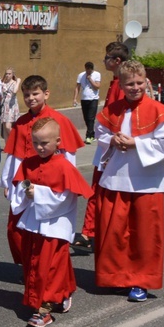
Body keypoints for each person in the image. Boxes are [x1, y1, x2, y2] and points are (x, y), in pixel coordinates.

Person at [93, 60, 164, 302]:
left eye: (139, 82)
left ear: (146, 82)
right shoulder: (112, 109)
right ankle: (115, 276)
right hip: (117, 178)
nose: (135, 87)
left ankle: (141, 280)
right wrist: (111, 139)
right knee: (115, 232)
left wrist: (135, 143)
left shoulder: (157, 110)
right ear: (121, 84)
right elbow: (100, 131)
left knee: (145, 234)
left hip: (147, 182)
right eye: (129, 83)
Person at [9, 118, 93, 327]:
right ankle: (61, 292)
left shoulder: (64, 166)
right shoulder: (29, 162)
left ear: (58, 141)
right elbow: (20, 189)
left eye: (45, 143)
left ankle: (44, 308)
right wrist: (27, 193)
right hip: (33, 222)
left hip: (54, 225)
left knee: (50, 266)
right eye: (36, 143)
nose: (40, 147)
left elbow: (64, 198)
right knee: (33, 263)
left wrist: (38, 193)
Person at [0, 75, 83, 267]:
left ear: (46, 94)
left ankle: (44, 269)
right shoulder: (20, 123)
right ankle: (28, 266)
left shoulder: (59, 120)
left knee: (47, 230)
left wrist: (69, 183)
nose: (31, 98)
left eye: (35, 94)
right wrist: (7, 183)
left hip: (49, 184)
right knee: (16, 229)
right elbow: (14, 156)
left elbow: (68, 156)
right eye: (27, 95)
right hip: (24, 183)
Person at [72, 41, 129, 252]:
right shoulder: (115, 82)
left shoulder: (123, 85)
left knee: (100, 189)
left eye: (106, 58)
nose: (103, 61)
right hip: (107, 143)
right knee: (97, 188)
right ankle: (91, 230)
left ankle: (92, 231)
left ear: (117, 61)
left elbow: (119, 118)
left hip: (114, 146)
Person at [73, 61, 101, 144]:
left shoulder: (97, 74)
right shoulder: (81, 75)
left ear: (92, 69)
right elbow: (77, 87)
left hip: (93, 99)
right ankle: (92, 134)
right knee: (86, 118)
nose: (88, 71)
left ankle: (88, 136)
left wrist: (90, 79)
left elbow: (97, 87)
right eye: (87, 70)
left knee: (90, 118)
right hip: (84, 99)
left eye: (90, 70)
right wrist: (75, 98)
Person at [0, 67, 21, 141]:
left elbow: (15, 91)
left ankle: (17, 140)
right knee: (4, 127)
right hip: (4, 106)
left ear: (12, 74)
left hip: (11, 106)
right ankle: (7, 146)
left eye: (9, 73)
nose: (7, 75)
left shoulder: (14, 83)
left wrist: (18, 81)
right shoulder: (3, 83)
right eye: (6, 73)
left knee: (8, 126)